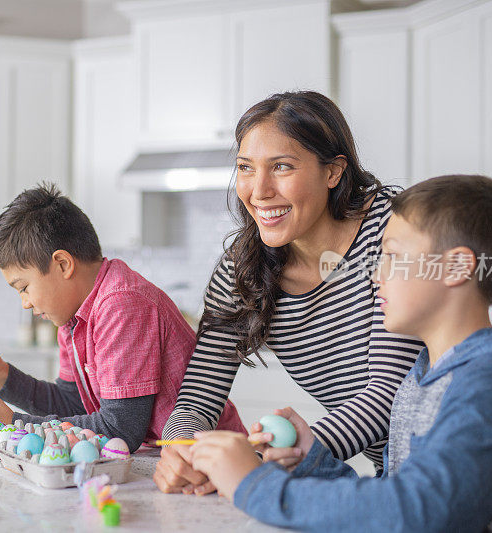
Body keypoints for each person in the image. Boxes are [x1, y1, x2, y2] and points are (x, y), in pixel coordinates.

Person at [188, 175, 492, 531]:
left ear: (457, 267)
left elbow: (421, 510)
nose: (374, 275)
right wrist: (313, 459)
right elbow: (390, 498)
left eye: (393, 256)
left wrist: (256, 485)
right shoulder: (424, 376)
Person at [156, 91, 425, 495]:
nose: (259, 190)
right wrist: (183, 450)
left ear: (333, 172)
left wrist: (258, 461)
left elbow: (389, 396)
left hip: (449, 468)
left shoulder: (394, 232)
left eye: (281, 166)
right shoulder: (242, 269)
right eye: (246, 168)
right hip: (391, 477)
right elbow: (198, 398)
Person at [0, 183, 246, 451]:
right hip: (167, 460)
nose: (25, 303)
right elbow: (72, 402)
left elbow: (120, 430)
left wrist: (13, 424)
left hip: (212, 459)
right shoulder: (72, 317)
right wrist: (3, 375)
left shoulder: (122, 304)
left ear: (63, 264)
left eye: (24, 288)